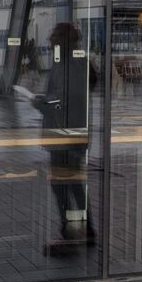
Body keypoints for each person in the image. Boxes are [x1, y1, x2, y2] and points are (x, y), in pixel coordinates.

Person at [35, 22, 97, 252]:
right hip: (71, 133)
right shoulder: (77, 63)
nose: (50, 41)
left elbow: (62, 102)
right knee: (73, 183)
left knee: (62, 184)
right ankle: (84, 229)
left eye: (53, 37)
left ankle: (70, 232)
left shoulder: (68, 66)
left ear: (62, 41)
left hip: (65, 135)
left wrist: (38, 102)